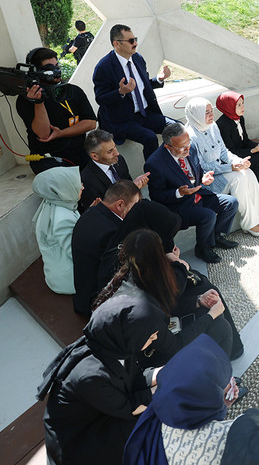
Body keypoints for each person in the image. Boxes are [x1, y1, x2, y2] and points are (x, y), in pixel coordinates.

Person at [96, 200, 243, 359]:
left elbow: (162, 303)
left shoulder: (129, 265)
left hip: (143, 335)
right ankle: (223, 379)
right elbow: (174, 344)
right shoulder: (142, 306)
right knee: (220, 326)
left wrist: (198, 301)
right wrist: (210, 315)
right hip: (143, 357)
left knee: (205, 294)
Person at [40, 294, 162, 465]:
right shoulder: (91, 376)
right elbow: (129, 408)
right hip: (79, 442)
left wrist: (162, 374)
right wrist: (163, 388)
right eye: (150, 335)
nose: (155, 338)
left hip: (101, 411)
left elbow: (133, 379)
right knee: (147, 427)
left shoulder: (114, 344)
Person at [124, 334, 239, 465]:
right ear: (206, 395)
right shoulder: (225, 437)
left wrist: (222, 404)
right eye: (222, 381)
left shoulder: (159, 415)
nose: (231, 382)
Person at [145, 122, 238, 264]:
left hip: (199, 195)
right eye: (182, 147)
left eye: (188, 143)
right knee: (208, 215)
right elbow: (156, 196)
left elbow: (197, 171)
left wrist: (204, 178)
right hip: (179, 205)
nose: (187, 149)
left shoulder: (191, 147)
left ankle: (216, 236)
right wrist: (178, 192)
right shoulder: (155, 163)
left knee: (231, 203)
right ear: (167, 146)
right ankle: (202, 248)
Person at [184, 97, 259, 238]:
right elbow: (201, 167)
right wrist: (231, 167)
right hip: (209, 180)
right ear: (196, 115)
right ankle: (250, 223)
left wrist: (239, 161)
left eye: (211, 111)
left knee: (248, 172)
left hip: (223, 170)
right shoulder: (190, 137)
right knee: (238, 179)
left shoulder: (213, 126)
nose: (211, 115)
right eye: (206, 113)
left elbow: (224, 151)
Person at [92, 24, 176, 159]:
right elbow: (100, 98)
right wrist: (120, 92)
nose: (135, 43)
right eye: (131, 41)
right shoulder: (104, 67)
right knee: (150, 137)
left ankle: (180, 166)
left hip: (145, 114)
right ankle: (154, 174)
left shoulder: (138, 58)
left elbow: (143, 85)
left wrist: (158, 79)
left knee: (178, 128)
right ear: (117, 44)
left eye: (135, 39)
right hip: (123, 120)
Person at [16, 47, 96, 174]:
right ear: (37, 71)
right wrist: (39, 102)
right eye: (50, 67)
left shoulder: (72, 91)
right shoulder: (27, 99)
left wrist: (61, 133)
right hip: (48, 158)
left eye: (56, 65)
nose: (56, 70)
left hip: (79, 152)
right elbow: (43, 134)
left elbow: (91, 123)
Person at [72, 180, 141, 317]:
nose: (137, 210)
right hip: (97, 301)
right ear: (120, 204)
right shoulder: (113, 232)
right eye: (135, 205)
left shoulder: (91, 212)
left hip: (82, 290)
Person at [216, 91, 259, 207]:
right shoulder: (222, 125)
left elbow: (245, 141)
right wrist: (254, 151)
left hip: (241, 150)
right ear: (229, 106)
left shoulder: (239, 118)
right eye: (238, 105)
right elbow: (231, 151)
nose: (243, 107)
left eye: (242, 103)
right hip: (231, 157)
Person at [32, 167, 81, 295]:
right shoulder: (62, 219)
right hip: (70, 280)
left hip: (56, 275)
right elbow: (76, 252)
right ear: (63, 189)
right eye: (76, 183)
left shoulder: (52, 203)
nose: (82, 187)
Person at [79, 129, 149, 213]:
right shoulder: (87, 179)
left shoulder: (119, 160)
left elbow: (127, 181)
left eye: (114, 147)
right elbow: (101, 211)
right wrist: (132, 190)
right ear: (95, 156)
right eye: (110, 151)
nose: (117, 153)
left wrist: (135, 185)